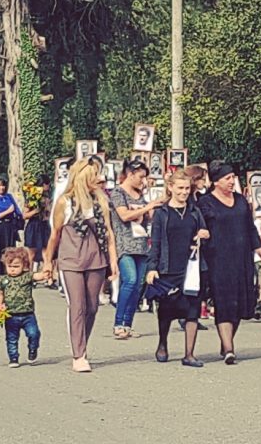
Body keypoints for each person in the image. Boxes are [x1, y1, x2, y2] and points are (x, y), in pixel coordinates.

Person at [42, 157, 119, 372]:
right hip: (71, 260)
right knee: (78, 305)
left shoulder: (101, 201)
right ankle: (79, 354)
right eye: (95, 176)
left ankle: (82, 341)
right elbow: (55, 234)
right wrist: (49, 261)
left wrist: (113, 260)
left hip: (96, 260)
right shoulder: (65, 202)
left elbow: (109, 233)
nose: (100, 179)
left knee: (92, 306)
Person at [197, 160, 261, 364]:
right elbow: (198, 227)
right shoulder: (205, 202)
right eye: (227, 178)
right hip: (218, 261)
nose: (232, 181)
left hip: (242, 260)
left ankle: (226, 341)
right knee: (224, 303)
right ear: (216, 181)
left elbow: (250, 229)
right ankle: (229, 349)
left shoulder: (240, 201)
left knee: (239, 304)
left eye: (233, 178)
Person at [146, 169, 210, 366]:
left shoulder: (194, 211)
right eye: (180, 188)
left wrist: (203, 235)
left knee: (192, 309)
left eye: (187, 188)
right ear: (171, 188)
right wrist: (152, 267)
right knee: (166, 310)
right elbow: (155, 242)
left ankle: (189, 353)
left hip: (191, 268)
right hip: (168, 268)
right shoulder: (161, 213)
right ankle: (163, 343)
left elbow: (205, 233)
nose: (184, 192)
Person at [109, 159, 163, 340]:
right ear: (130, 174)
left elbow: (148, 217)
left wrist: (155, 206)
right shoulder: (118, 193)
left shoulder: (140, 194)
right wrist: (148, 206)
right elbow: (124, 215)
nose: (143, 181)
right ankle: (118, 323)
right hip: (124, 244)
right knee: (130, 280)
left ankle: (128, 324)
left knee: (139, 285)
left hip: (141, 244)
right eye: (140, 177)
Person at [0, 246, 43, 366]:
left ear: (24, 265)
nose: (12, 269)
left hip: (28, 314)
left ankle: (33, 350)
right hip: (11, 314)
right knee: (11, 338)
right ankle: (13, 358)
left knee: (34, 333)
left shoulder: (27, 276)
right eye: (9, 266)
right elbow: (0, 292)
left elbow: (39, 276)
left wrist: (47, 271)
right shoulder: (4, 280)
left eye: (16, 266)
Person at [23, 174, 51, 270]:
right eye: (46, 184)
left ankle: (48, 277)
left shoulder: (48, 197)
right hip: (34, 225)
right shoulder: (32, 197)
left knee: (47, 252)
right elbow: (25, 215)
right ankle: (29, 276)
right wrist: (35, 211)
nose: (47, 186)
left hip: (45, 225)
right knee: (32, 253)